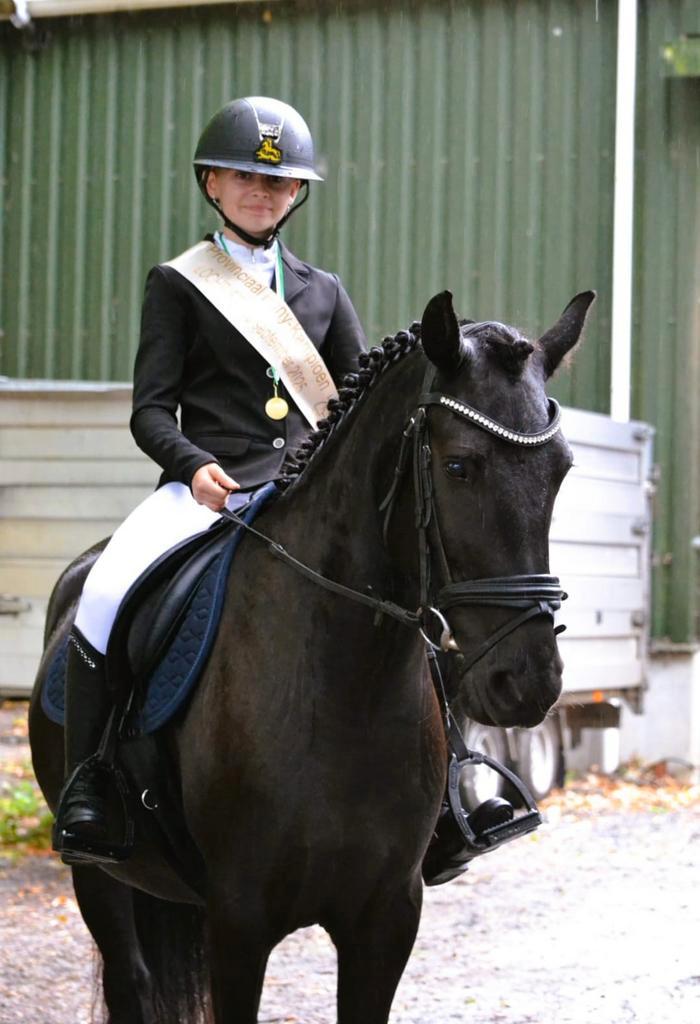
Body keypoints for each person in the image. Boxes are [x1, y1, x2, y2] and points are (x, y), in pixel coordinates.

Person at [54, 96, 367, 859]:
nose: (262, 193)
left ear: (297, 194)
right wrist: (193, 469)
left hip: (305, 494)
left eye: (279, 182)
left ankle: (454, 780)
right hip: (207, 491)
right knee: (102, 592)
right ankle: (90, 784)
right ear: (212, 185)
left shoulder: (323, 291)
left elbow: (355, 404)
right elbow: (150, 412)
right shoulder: (178, 282)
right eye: (243, 178)